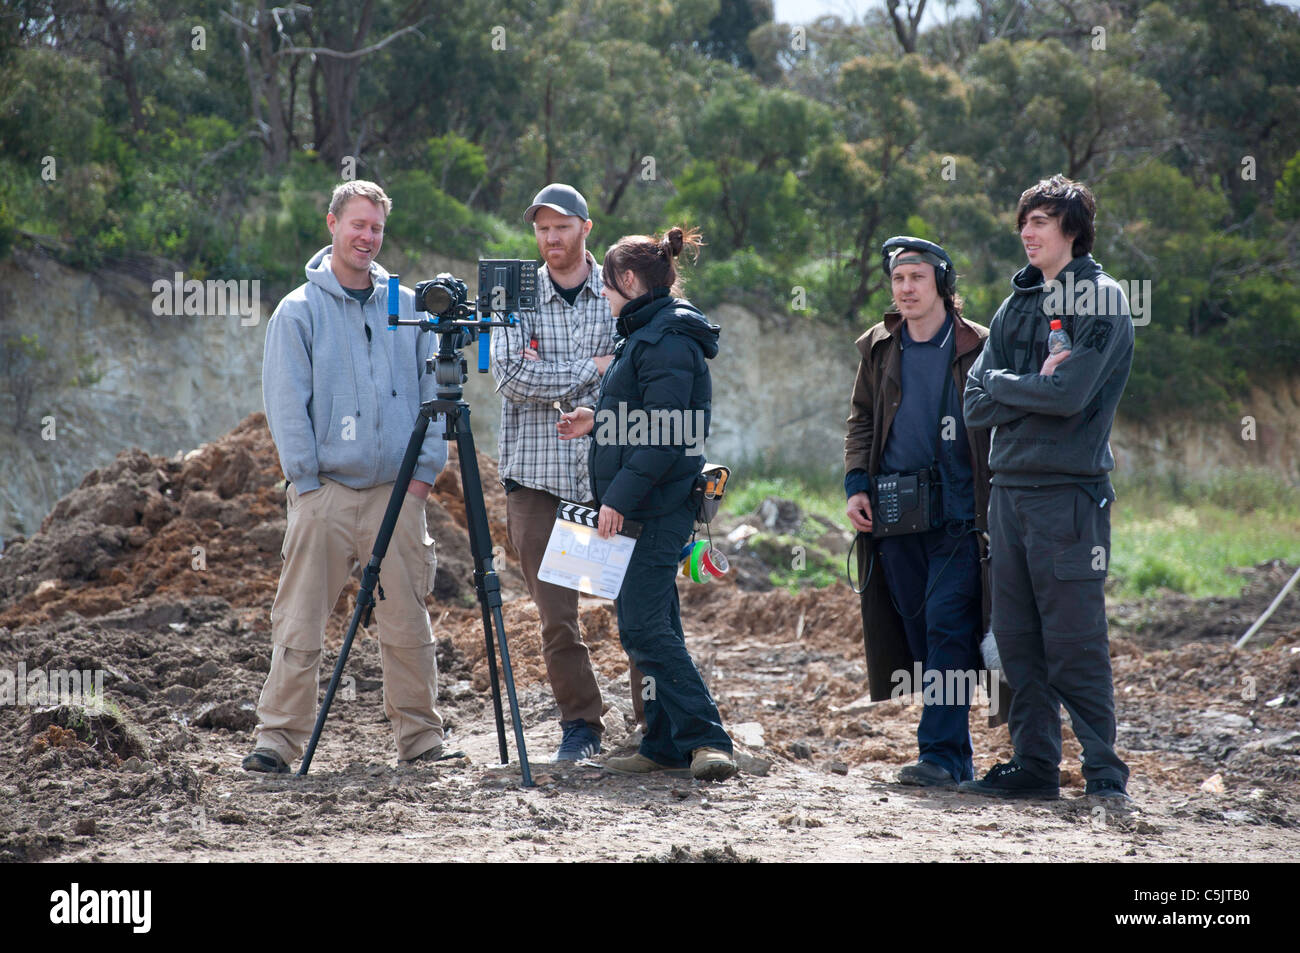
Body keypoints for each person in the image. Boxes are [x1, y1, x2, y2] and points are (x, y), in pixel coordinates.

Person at [244, 180, 450, 773]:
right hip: (325, 494)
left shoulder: (408, 307)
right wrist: (306, 485)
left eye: (376, 228)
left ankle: (420, 740)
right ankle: (277, 741)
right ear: (331, 223)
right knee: (300, 619)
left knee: (407, 620)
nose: (367, 237)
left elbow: (436, 391)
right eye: (357, 224)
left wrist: (421, 480)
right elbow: (286, 406)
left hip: (397, 493)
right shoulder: (298, 311)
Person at [961, 174, 1134, 801]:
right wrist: (1027, 381)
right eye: (1024, 222)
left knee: (1073, 639)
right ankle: (1033, 765)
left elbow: (1070, 396)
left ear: (1072, 229)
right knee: (1015, 638)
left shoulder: (1102, 300)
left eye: (1041, 221)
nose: (1028, 233)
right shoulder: (1016, 304)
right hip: (1006, 491)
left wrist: (1010, 385)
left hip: (1069, 495)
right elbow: (972, 404)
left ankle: (1105, 776)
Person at [556, 226, 736, 781]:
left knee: (641, 626)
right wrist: (599, 420)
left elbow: (664, 435)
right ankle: (661, 742)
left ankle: (708, 738)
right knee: (655, 622)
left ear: (629, 281)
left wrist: (617, 498)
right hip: (645, 502)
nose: (605, 297)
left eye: (608, 287)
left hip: (657, 506)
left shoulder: (667, 340)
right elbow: (648, 416)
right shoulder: (648, 333)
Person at [489, 183, 633, 762]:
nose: (552, 238)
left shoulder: (619, 288)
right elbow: (508, 379)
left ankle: (656, 725)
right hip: (537, 481)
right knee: (557, 623)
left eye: (562, 226)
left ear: (586, 229)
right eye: (542, 228)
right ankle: (582, 725)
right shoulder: (514, 295)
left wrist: (556, 370)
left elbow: (631, 375)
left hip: (608, 482)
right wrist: (592, 368)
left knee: (637, 612)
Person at [844, 237, 993, 788]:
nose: (906, 288)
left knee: (949, 625)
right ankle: (956, 752)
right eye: (898, 278)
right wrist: (857, 483)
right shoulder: (880, 346)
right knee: (919, 631)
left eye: (917, 278)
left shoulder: (977, 345)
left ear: (943, 285)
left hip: (959, 516)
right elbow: (861, 418)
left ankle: (940, 756)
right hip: (894, 512)